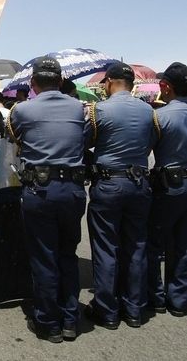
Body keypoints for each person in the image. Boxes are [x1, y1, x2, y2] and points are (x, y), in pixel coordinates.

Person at [7, 57, 87, 343]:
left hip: (40, 190)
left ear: (33, 84)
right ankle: (69, 319)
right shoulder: (80, 108)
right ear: (62, 81)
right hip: (73, 190)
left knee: (44, 257)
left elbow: (15, 138)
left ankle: (48, 322)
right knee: (68, 253)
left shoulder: (22, 110)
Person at [84, 62, 157, 330]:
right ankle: (134, 309)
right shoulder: (149, 111)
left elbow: (84, 142)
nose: (102, 87)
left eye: (104, 83)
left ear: (112, 81)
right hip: (139, 183)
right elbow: (151, 143)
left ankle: (107, 310)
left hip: (108, 183)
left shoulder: (98, 110)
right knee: (136, 245)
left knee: (106, 248)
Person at [147, 62, 187, 316]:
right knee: (183, 244)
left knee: (154, 242)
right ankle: (179, 300)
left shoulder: (160, 117)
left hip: (168, 186)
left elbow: (144, 150)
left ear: (165, 87)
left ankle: (156, 296)